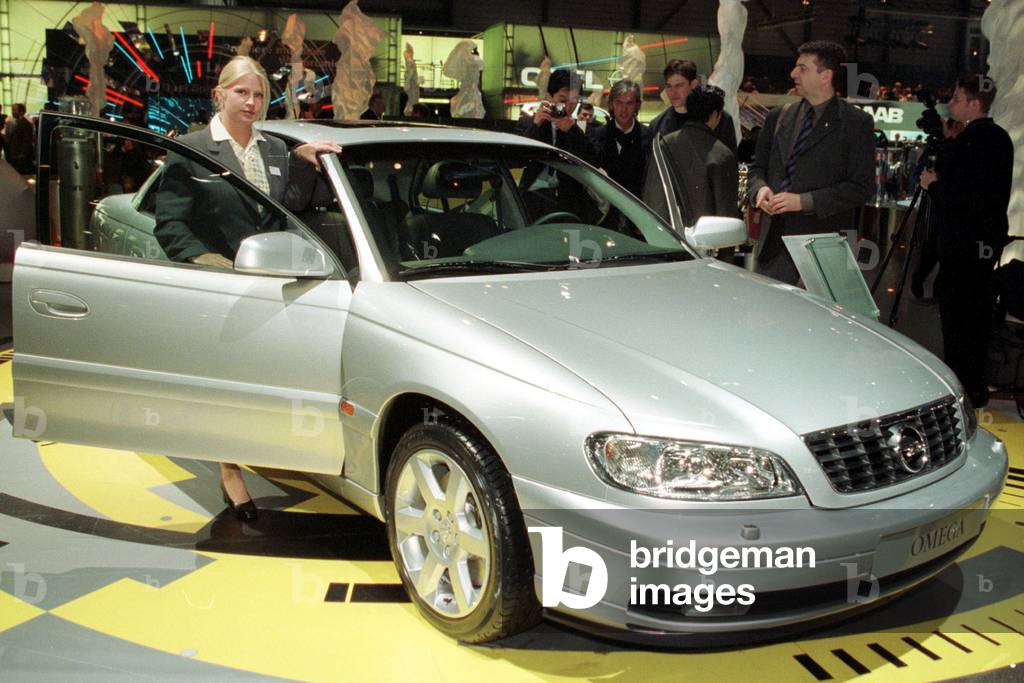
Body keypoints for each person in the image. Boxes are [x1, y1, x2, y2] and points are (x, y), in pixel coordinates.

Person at [155, 55, 341, 520]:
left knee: (262, 378)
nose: (252, 102)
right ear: (220, 94)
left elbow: (288, 209)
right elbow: (170, 224)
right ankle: (230, 472)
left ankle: (262, 449)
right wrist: (210, 263)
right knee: (226, 383)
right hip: (218, 284)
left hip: (271, 284)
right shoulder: (193, 148)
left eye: (258, 94)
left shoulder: (274, 149)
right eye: (242, 92)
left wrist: (302, 163)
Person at [920, 74, 1014, 408]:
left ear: (975, 103)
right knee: (975, 316)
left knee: (958, 319)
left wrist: (932, 183)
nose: (952, 104)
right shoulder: (999, 138)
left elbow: (960, 198)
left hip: (962, 244)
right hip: (985, 244)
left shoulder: (972, 142)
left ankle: (962, 387)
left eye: (958, 98)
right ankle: (973, 386)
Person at [746, 40, 874, 284]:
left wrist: (804, 201)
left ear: (825, 76)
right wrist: (760, 189)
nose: (793, 73)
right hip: (773, 246)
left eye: (802, 68)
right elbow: (757, 169)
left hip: (822, 250)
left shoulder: (856, 123)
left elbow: (862, 187)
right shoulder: (778, 117)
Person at [643, 85, 738, 226]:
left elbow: (653, 195)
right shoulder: (722, 154)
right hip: (705, 241)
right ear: (714, 115)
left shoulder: (663, 144)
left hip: (666, 236)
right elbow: (726, 214)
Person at [648, 60, 737, 154]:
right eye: (668, 86)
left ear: (693, 84)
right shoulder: (657, 125)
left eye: (679, 85)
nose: (672, 92)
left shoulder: (717, 118)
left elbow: (729, 159)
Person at [590, 79, 650, 198]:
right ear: (612, 104)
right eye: (619, 103)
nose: (624, 109)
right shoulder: (597, 135)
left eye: (629, 103)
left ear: (637, 105)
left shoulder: (648, 136)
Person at [4, 104, 36, 175]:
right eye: (12, 110)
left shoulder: (26, 123)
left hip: (21, 158)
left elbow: (27, 141)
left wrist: (22, 154)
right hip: (17, 156)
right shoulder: (19, 122)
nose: (12, 112)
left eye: (15, 110)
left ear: (21, 112)